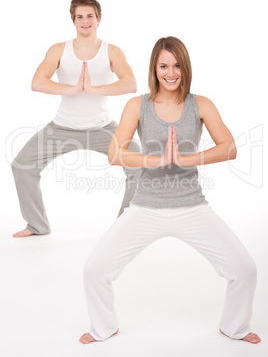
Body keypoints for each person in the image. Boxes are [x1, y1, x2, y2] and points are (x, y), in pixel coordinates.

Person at [79, 36, 261, 345]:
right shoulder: (138, 105)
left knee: (245, 269)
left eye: (176, 65)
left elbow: (229, 148)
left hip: (191, 206)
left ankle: (235, 327)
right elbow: (114, 154)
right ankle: (104, 328)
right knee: (95, 269)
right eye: (164, 66)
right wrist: (156, 160)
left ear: (185, 67)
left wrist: (186, 159)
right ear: (155, 68)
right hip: (146, 207)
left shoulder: (200, 104)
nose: (171, 73)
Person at [11, 0, 141, 237]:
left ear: (98, 19)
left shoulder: (112, 51)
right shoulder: (59, 49)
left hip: (103, 128)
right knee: (22, 166)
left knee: (141, 163)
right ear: (73, 20)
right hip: (62, 127)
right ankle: (37, 225)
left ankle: (126, 225)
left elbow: (130, 84)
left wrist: (93, 90)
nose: (85, 21)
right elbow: (37, 82)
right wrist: (73, 89)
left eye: (90, 16)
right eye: (79, 16)